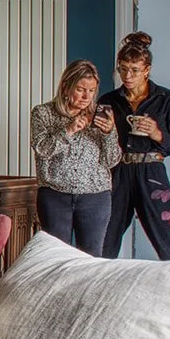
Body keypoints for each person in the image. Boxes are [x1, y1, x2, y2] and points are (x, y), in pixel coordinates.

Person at [100, 31, 170, 260]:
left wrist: (157, 134)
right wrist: (106, 131)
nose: (127, 75)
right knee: (103, 238)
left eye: (134, 70)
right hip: (117, 172)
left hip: (152, 172)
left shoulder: (168, 99)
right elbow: (96, 144)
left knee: (167, 239)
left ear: (147, 69)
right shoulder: (108, 101)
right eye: (123, 68)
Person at [30, 59, 122, 252]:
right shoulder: (43, 113)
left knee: (91, 258)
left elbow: (112, 160)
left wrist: (109, 134)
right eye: (80, 89)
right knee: (55, 257)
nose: (86, 96)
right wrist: (68, 130)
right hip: (54, 196)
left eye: (91, 90)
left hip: (96, 198)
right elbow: (41, 149)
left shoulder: (101, 116)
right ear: (66, 87)